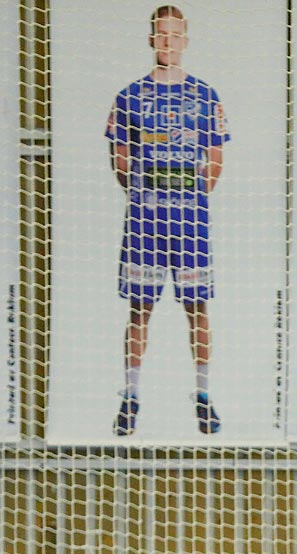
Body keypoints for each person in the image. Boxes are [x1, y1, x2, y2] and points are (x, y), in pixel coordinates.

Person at [107, 4, 227, 438]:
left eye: (176, 35)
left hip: (190, 222)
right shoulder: (129, 97)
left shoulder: (205, 96)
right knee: (141, 310)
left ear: (186, 41)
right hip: (145, 222)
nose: (168, 42)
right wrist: (146, 195)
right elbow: (120, 158)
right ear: (150, 39)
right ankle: (131, 399)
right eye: (161, 34)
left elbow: (214, 159)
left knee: (198, 308)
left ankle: (203, 397)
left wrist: (189, 197)